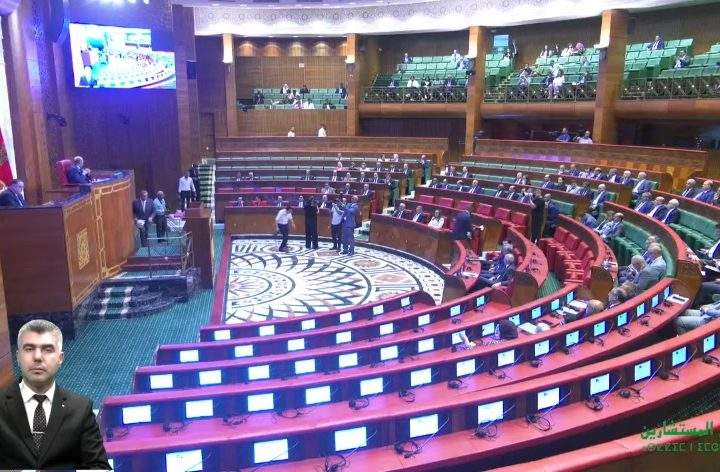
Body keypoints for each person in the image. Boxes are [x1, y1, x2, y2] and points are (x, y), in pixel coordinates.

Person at [0, 319, 110, 470]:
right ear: (18, 357)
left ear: (60, 358)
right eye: (29, 349)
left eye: (47, 349)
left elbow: (98, 466)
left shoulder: (80, 408)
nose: (37, 357)